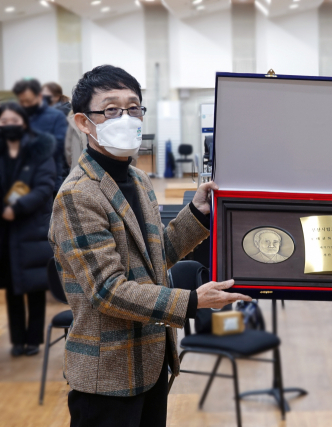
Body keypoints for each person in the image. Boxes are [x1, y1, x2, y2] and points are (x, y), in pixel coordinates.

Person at [48, 65, 251, 427]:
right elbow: (107, 291)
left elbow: (155, 259)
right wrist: (192, 301)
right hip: (108, 375)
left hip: (152, 361)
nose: (125, 118)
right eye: (111, 109)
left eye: (133, 108)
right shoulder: (78, 195)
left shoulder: (138, 180)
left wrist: (197, 214)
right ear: (83, 122)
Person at [0, 102, 57, 357]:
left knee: (34, 287)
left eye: (14, 120)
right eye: (4, 121)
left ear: (24, 123)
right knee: (12, 287)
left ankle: (33, 339)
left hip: (31, 228)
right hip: (4, 230)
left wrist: (18, 207)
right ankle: (17, 340)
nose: (9, 125)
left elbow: (45, 186)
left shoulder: (39, 150)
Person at [12, 79, 69, 190]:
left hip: (48, 178)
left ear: (39, 96)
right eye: (22, 101)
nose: (25, 105)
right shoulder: (18, 116)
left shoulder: (56, 116)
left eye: (28, 101)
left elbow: (59, 146)